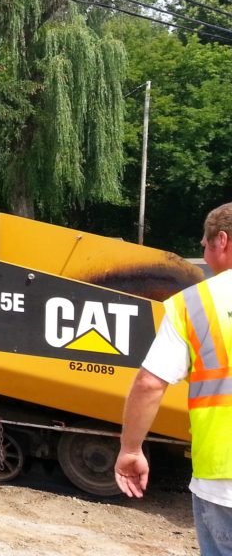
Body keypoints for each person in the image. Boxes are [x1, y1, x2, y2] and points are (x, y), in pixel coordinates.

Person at [115, 202, 232, 555]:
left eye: (204, 243)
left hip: (222, 481)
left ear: (222, 241)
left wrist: (131, 449)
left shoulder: (194, 304)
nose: (203, 248)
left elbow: (150, 384)